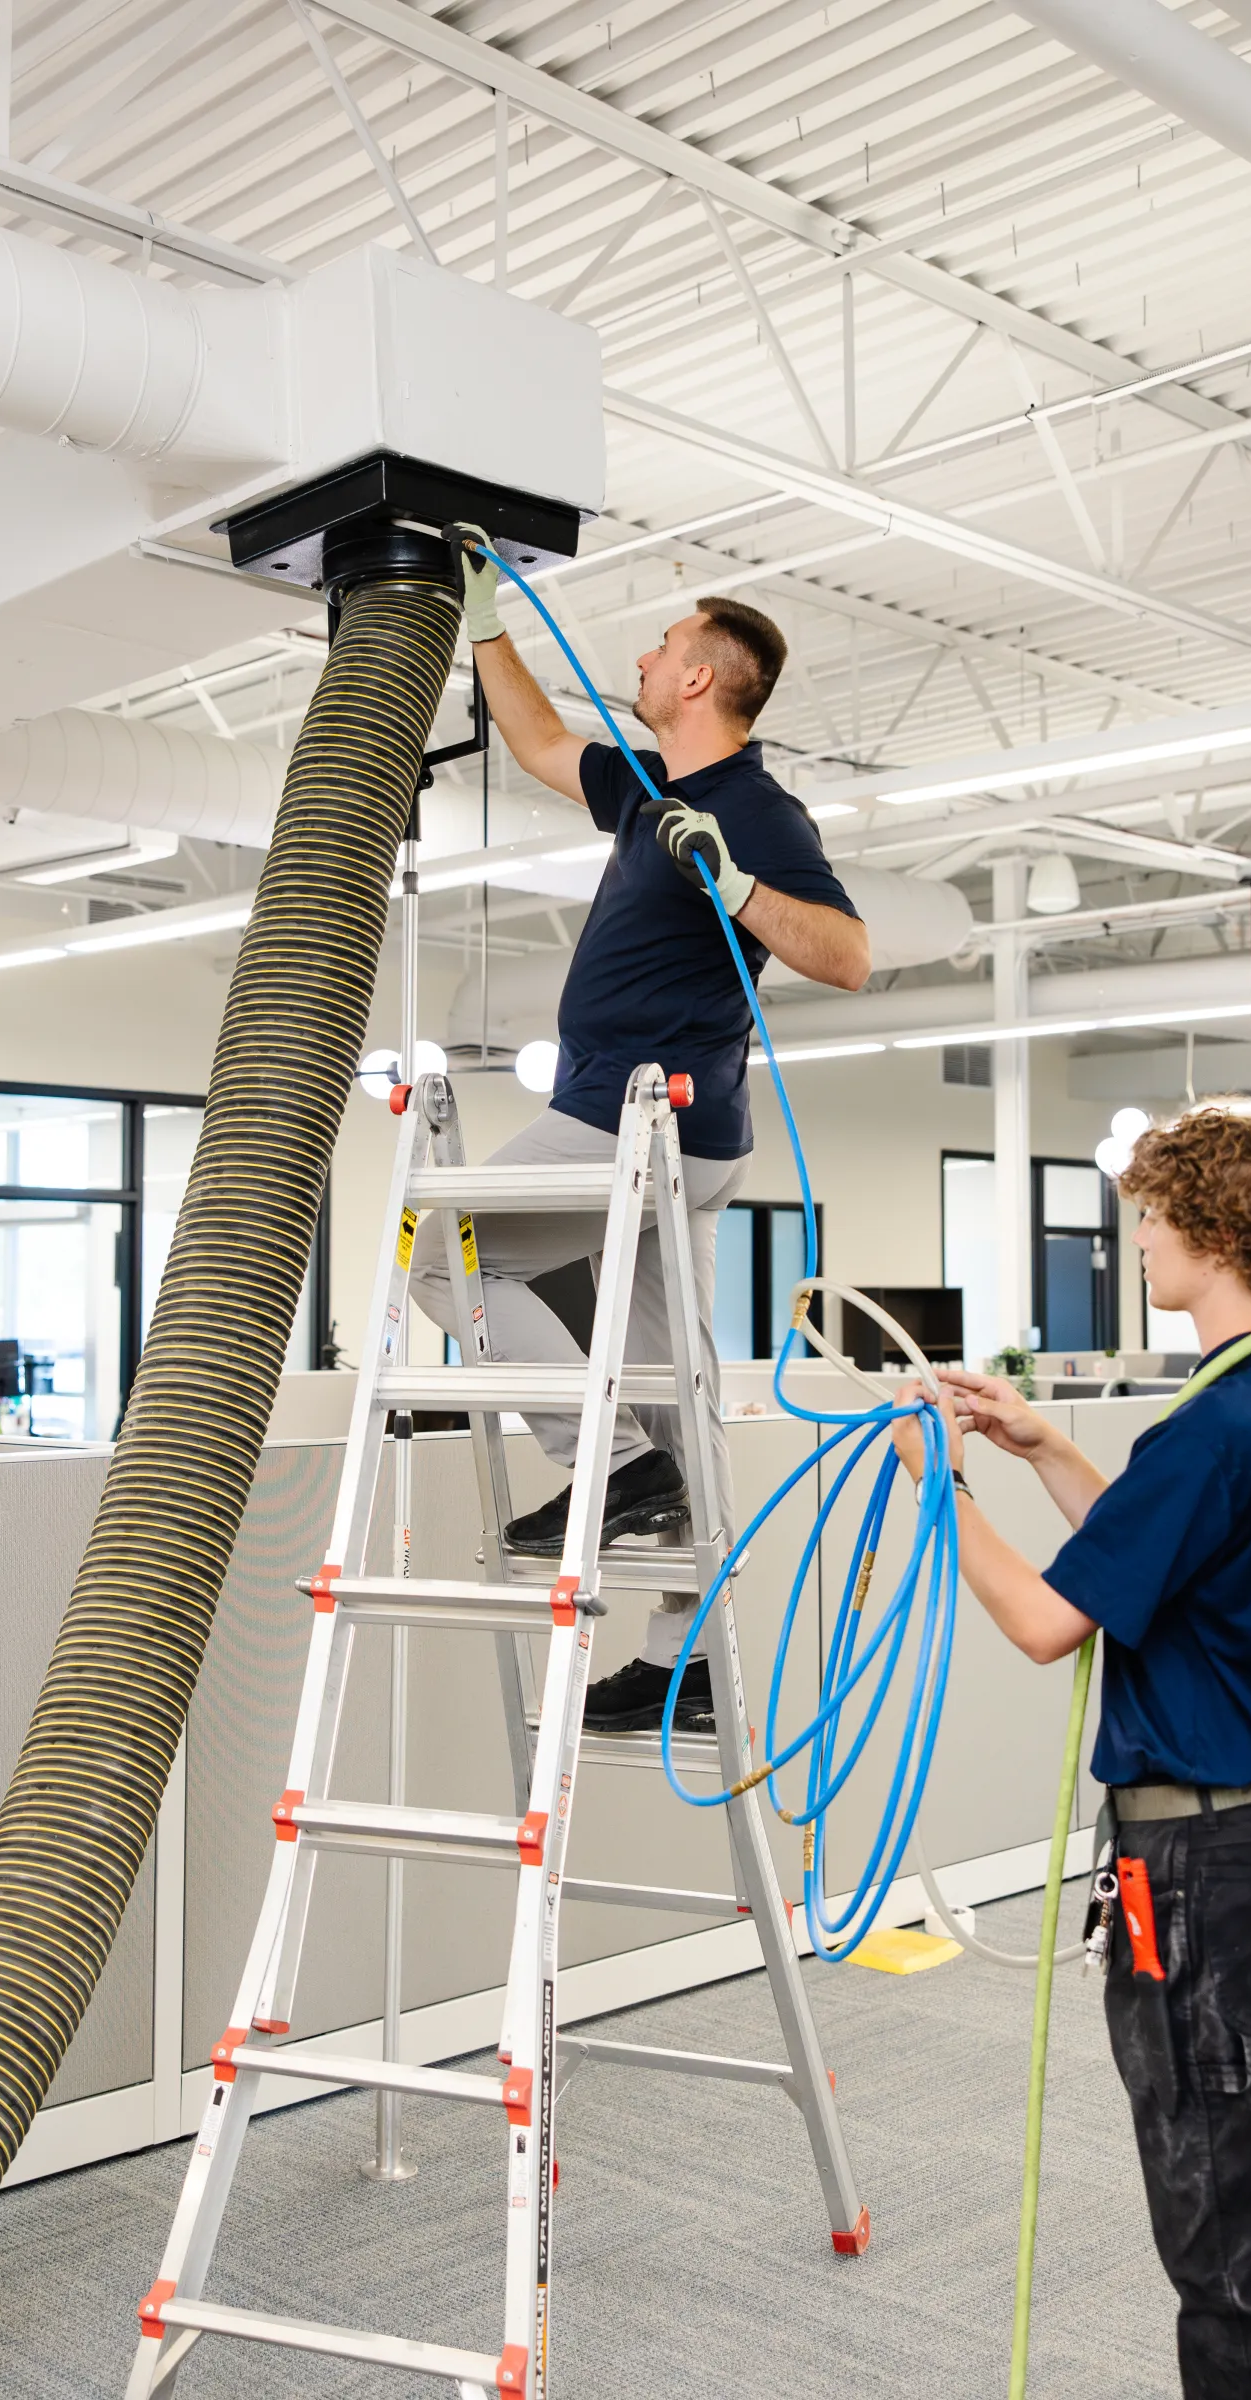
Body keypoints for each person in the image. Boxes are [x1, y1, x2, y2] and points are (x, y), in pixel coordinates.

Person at [892, 1106, 1251, 2399]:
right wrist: (1046, 1448)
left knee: (1230, 2242)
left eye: (1152, 1216)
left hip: (1204, 1871)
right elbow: (1166, 1568)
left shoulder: (1213, 1428)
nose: (1138, 1239)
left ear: (1212, 1229)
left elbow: (1049, 1621)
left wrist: (938, 1491)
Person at [408, 531, 870, 1732]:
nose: (643, 657)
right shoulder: (651, 792)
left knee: (438, 1254)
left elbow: (848, 956)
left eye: (663, 649)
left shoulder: (752, 809)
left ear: (702, 681)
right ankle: (690, 1662)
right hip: (670, 1132)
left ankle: (608, 1471)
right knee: (678, 1392)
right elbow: (540, 740)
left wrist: (735, 888)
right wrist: (487, 623)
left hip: (640, 1123)